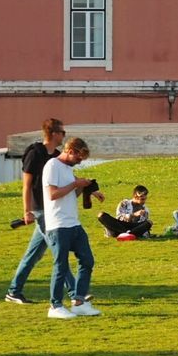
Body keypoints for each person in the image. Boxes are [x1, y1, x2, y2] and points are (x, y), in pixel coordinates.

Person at [6, 118, 75, 305]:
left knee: (33, 254)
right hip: (40, 210)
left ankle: (14, 290)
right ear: (53, 133)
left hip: (50, 210)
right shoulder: (35, 153)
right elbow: (26, 185)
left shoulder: (57, 157)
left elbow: (68, 180)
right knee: (59, 251)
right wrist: (27, 211)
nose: (64, 136)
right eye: (62, 132)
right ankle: (77, 293)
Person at [42, 137, 103, 319]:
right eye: (79, 158)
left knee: (87, 260)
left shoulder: (68, 169)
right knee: (60, 266)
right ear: (71, 151)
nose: (80, 162)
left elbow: (70, 195)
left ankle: (79, 302)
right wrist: (76, 184)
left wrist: (86, 189)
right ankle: (55, 306)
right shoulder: (52, 165)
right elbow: (53, 194)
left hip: (73, 223)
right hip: (58, 225)